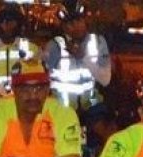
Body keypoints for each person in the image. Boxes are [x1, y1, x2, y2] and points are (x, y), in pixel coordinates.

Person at [42, 1, 113, 148]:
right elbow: (42, 77)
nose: (76, 27)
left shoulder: (97, 42)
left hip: (91, 104)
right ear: (63, 26)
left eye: (79, 20)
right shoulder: (54, 46)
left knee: (109, 135)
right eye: (70, 23)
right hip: (62, 107)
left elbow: (105, 80)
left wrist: (83, 57)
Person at [0, 3, 38, 98]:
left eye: (11, 21)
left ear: (19, 24)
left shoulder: (31, 48)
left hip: (21, 100)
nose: (7, 25)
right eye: (3, 21)